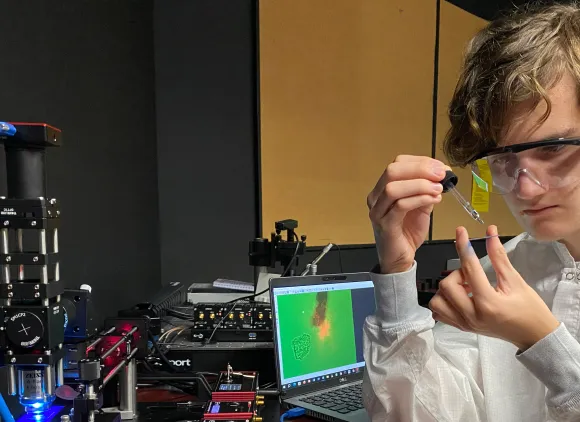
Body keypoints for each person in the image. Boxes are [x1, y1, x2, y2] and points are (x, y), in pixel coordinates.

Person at [362, 2, 580, 421]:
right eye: (502, 159)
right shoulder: (503, 272)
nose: (525, 188)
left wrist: (542, 341)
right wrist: (396, 275)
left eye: (552, 148)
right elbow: (413, 416)